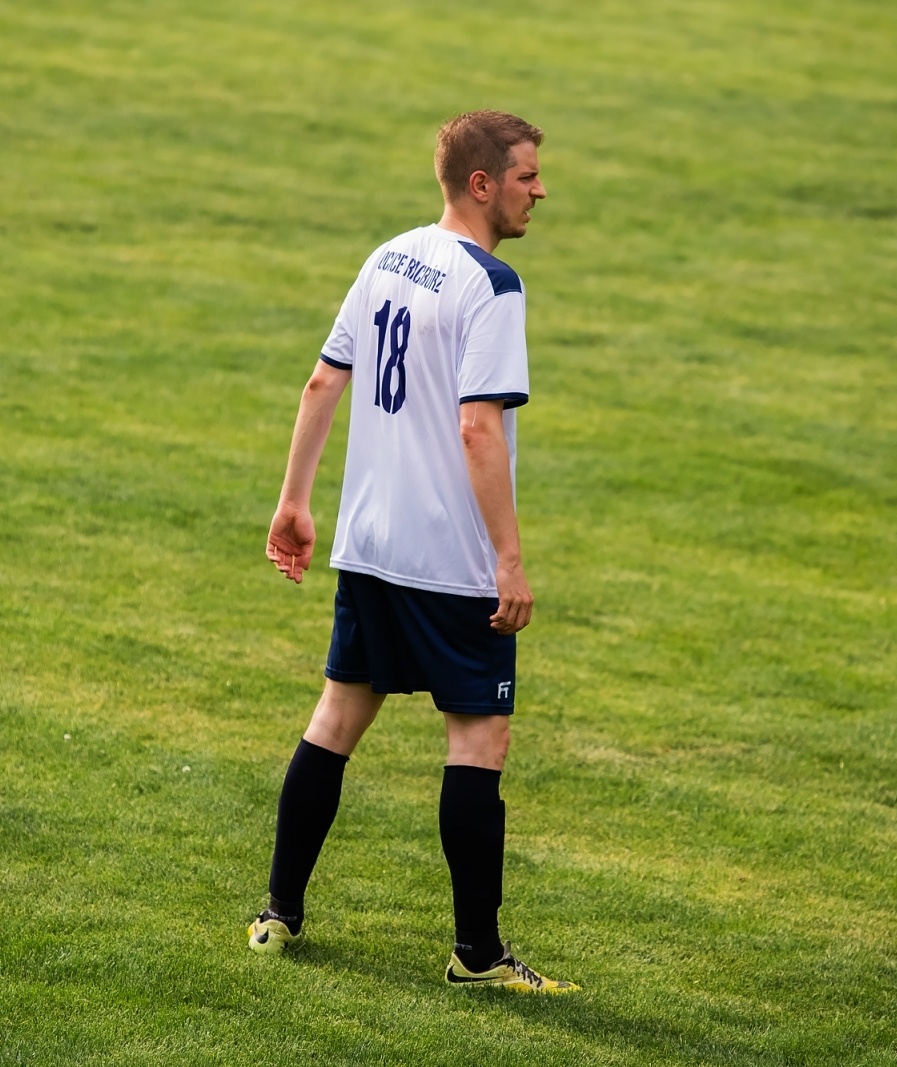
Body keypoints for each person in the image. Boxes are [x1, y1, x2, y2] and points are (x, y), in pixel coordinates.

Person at [248, 110, 577, 994]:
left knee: (336, 718)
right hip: (449, 560)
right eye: (527, 176)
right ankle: (477, 954)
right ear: (482, 183)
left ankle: (278, 912)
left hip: (369, 545)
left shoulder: (387, 257)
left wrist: (293, 502)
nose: (541, 190)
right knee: (480, 737)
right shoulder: (492, 285)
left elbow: (323, 380)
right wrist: (509, 561)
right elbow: (478, 428)